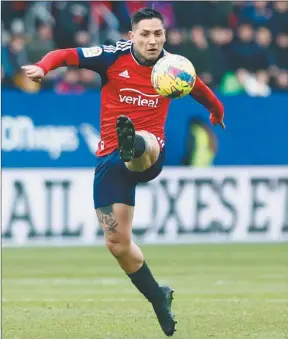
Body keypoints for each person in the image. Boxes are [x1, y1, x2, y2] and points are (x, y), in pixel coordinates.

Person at [22, 8, 225, 337]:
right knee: (117, 242)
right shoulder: (111, 57)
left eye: (158, 34)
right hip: (109, 160)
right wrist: (42, 67)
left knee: (144, 144)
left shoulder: (172, 66)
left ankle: (135, 144)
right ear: (133, 36)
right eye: (145, 34)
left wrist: (217, 111)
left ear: (164, 36)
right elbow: (65, 54)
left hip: (149, 153)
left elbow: (199, 89)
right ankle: (158, 297)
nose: (152, 40)